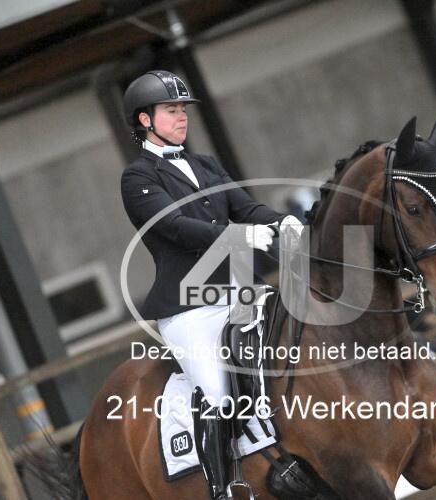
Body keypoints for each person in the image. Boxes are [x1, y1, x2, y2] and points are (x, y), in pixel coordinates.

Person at [120, 70, 302, 499]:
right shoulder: (138, 178)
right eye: (171, 110)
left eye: (183, 109)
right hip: (190, 308)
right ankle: (224, 487)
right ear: (145, 120)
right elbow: (176, 227)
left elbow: (247, 208)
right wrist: (239, 237)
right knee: (219, 395)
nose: (182, 117)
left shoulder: (206, 165)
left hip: (243, 293)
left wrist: (283, 222)